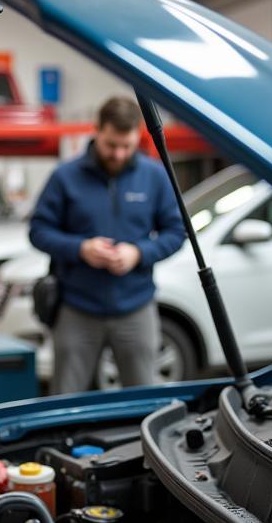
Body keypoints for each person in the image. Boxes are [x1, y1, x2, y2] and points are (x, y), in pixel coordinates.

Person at [29, 96, 185, 395]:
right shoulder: (65, 177)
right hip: (77, 309)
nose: (118, 154)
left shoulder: (153, 176)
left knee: (143, 402)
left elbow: (175, 232)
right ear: (97, 130)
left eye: (127, 146)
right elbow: (38, 231)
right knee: (66, 402)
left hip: (136, 308)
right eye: (111, 145)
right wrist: (80, 249)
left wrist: (138, 253)